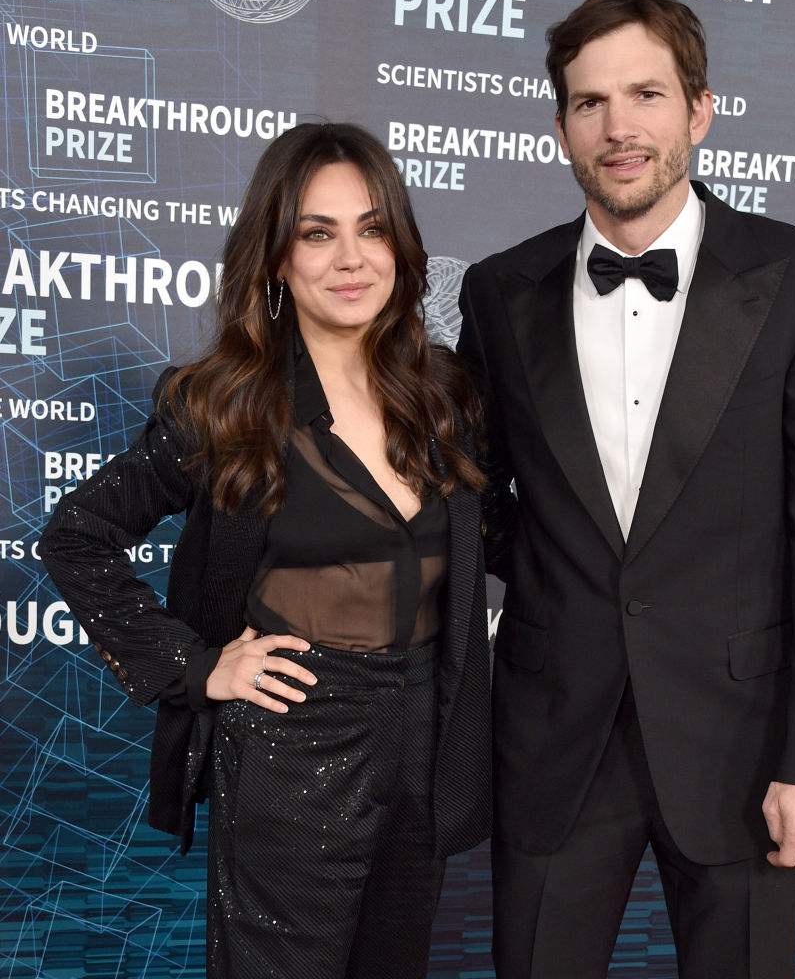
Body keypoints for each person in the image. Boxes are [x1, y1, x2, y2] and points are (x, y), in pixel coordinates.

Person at [457, 0, 795, 979]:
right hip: (556, 740)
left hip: (747, 746)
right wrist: (565, 573)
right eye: (590, 102)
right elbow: (473, 497)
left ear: (699, 109)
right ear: (560, 125)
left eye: (646, 94)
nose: (619, 127)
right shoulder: (499, 289)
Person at [39, 122, 491, 979]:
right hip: (294, 748)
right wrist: (195, 665)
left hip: (425, 747)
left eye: (372, 228)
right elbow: (77, 537)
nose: (350, 258)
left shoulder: (442, 393)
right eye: (317, 234)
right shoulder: (227, 404)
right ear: (278, 258)